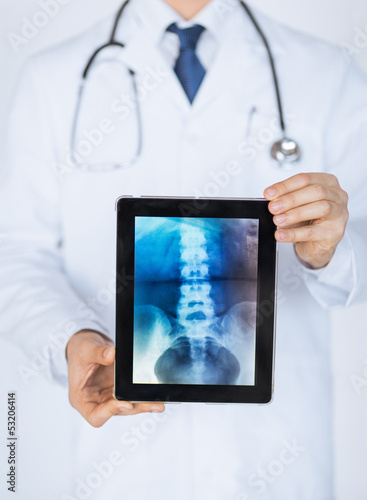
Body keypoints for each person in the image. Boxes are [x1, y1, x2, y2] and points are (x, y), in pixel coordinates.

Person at [0, 0, 367, 498]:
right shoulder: (54, 78)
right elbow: (17, 254)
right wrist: (73, 338)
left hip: (281, 462)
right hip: (126, 467)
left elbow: (361, 248)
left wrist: (330, 250)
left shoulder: (328, 72)